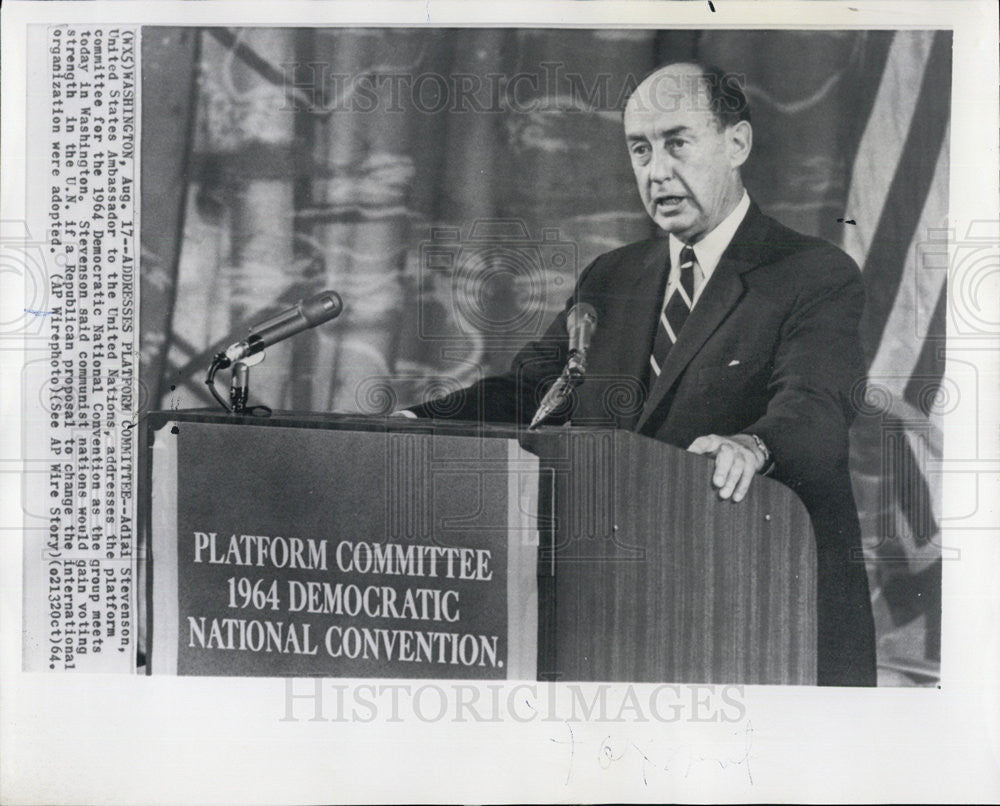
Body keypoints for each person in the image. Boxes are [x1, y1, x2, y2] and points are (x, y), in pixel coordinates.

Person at [405, 61, 877, 687]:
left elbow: (816, 407)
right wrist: (417, 422)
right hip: (630, 612)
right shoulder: (612, 278)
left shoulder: (814, 273)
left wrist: (753, 445)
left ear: (736, 144)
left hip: (759, 611)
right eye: (640, 149)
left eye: (678, 142)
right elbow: (529, 393)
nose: (657, 171)